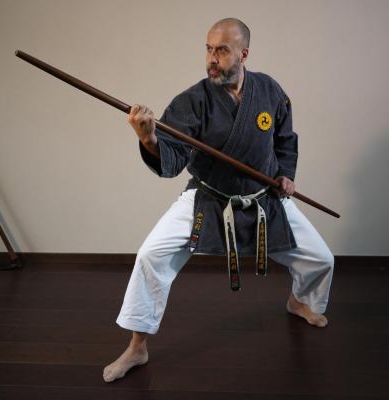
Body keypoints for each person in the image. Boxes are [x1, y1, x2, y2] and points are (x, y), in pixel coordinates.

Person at [103, 18, 334, 383]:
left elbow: (285, 137)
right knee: (150, 256)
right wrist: (148, 139)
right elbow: (173, 157)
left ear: (243, 54)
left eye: (222, 50)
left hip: (262, 198)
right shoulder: (193, 101)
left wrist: (286, 174)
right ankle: (137, 345)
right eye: (209, 49)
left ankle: (299, 301)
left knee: (321, 258)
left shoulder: (269, 90)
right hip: (210, 197)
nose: (212, 58)